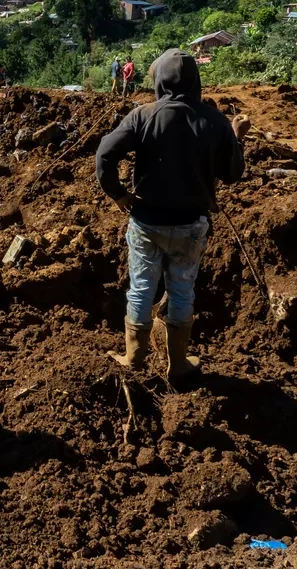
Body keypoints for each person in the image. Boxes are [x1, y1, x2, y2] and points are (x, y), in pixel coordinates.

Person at [95, 49, 250, 378]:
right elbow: (232, 173)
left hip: (147, 222)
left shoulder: (143, 115)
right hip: (191, 226)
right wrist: (237, 139)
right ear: (196, 80)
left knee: (140, 289)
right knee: (182, 290)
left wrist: (119, 195)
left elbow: (105, 155)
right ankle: (178, 365)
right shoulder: (214, 121)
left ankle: (133, 360)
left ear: (160, 79)